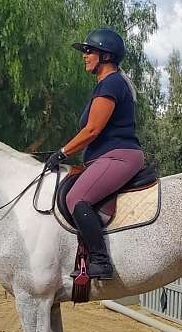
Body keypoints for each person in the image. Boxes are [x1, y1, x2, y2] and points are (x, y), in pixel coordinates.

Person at [44, 28, 144, 279]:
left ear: (106, 56)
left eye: (89, 51)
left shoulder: (111, 83)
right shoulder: (107, 84)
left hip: (118, 156)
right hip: (107, 157)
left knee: (76, 198)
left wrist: (62, 153)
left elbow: (92, 130)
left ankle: (100, 260)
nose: (84, 56)